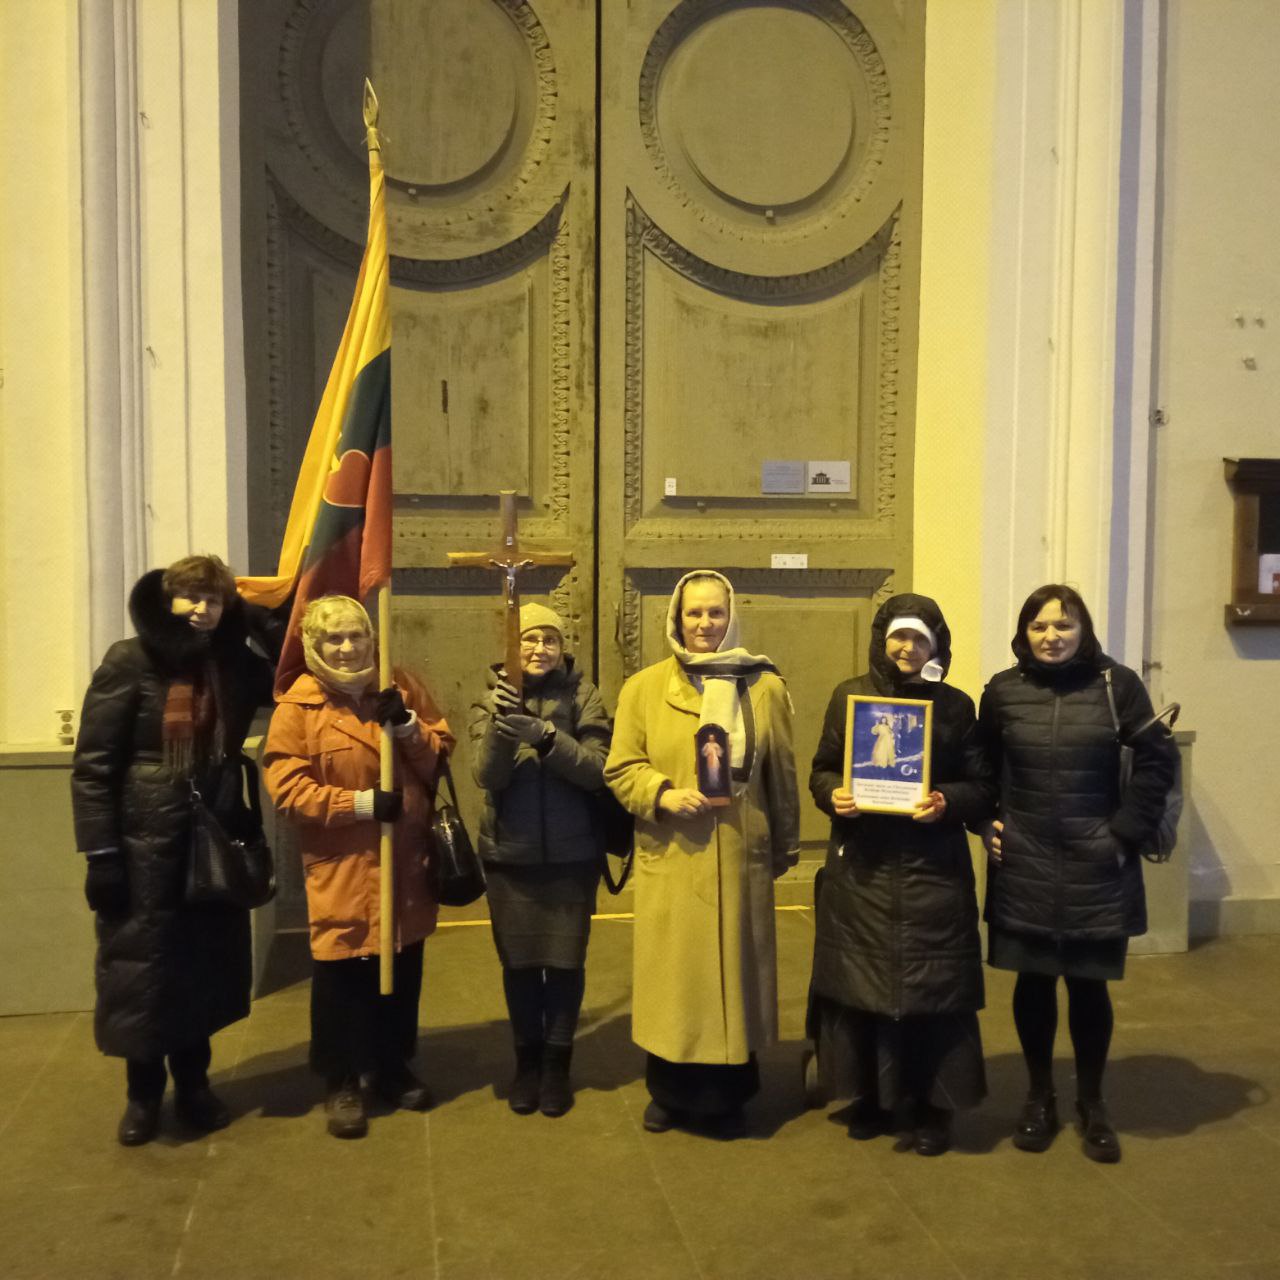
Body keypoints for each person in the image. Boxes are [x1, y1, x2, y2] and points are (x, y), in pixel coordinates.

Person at [71, 555, 274, 1146]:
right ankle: (142, 1095)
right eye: (191, 597)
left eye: (214, 600)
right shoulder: (129, 660)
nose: (202, 609)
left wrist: (262, 623)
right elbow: (94, 766)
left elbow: (291, 675)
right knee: (144, 970)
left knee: (201, 966)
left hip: (211, 834)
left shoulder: (234, 665)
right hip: (142, 844)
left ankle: (194, 1086)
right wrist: (101, 855)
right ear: (167, 601)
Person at [979, 584, 1178, 1163]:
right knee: (1034, 983)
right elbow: (980, 766)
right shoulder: (1003, 691)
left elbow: (1157, 759)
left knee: (1089, 987)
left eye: (1063, 626)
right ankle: (1039, 1097)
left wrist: (1125, 832)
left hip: (1099, 864)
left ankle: (1092, 1102)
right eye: (1039, 626)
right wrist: (985, 820)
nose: (1051, 637)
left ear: (1083, 630)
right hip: (1025, 860)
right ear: (1024, 633)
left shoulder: (1119, 685)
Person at [604, 570, 800, 1136]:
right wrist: (661, 794)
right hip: (674, 853)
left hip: (739, 855)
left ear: (731, 616)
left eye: (716, 612)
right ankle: (668, 1093)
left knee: (735, 979)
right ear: (676, 617)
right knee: (675, 984)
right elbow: (621, 767)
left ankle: (728, 1099)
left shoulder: (763, 687)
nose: (705, 624)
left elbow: (780, 774)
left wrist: (783, 846)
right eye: (694, 613)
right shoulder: (643, 689)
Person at [808, 595, 994, 1156]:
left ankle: (934, 1106)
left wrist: (947, 801)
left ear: (936, 644)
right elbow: (822, 769)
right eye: (898, 637)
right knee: (862, 988)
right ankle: (870, 1096)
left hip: (932, 869)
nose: (907, 648)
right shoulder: (849, 696)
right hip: (863, 870)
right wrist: (833, 796)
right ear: (881, 640)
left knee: (934, 991)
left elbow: (983, 785)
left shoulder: (956, 706)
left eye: (919, 638)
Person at [263, 594, 454, 1139]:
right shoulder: (297, 709)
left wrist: (410, 728)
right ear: (313, 645)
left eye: (357, 636)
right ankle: (342, 1079)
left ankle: (392, 1066)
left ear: (373, 638)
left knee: (402, 968)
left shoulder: (400, 686)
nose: (347, 648)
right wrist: (361, 804)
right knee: (343, 976)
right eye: (334, 638)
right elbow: (288, 791)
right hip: (344, 866)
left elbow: (439, 758)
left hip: (404, 863)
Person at [470, 603, 611, 1118]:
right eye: (529, 639)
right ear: (512, 648)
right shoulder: (490, 698)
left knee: (566, 965)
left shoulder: (584, 695)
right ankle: (526, 1064)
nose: (539, 649)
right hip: (511, 857)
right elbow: (487, 777)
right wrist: (503, 727)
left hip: (573, 855)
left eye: (550, 639)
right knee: (521, 967)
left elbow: (597, 770)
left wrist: (547, 737)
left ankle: (556, 1066)